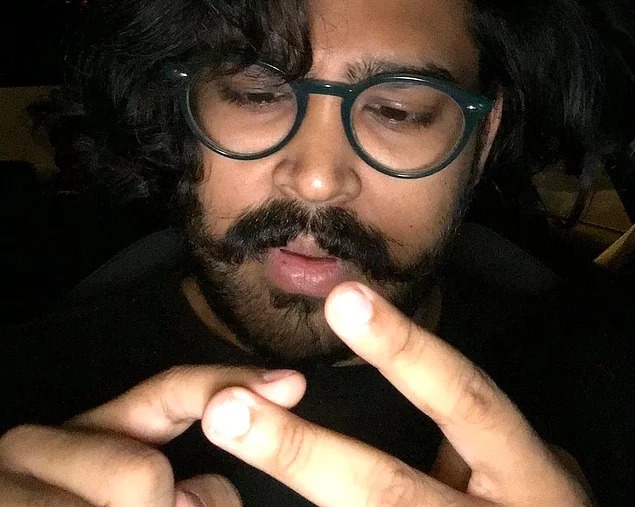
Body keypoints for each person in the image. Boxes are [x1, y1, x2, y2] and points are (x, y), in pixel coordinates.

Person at [1, 0, 632, 505]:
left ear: (482, 137)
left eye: (399, 110)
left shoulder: (607, 390)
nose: (318, 179)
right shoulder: (24, 392)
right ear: (186, 114)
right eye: (257, 92)